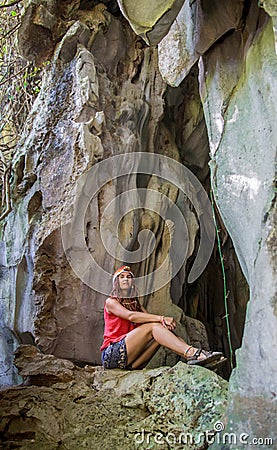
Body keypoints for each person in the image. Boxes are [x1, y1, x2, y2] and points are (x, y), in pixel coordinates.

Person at [100, 265, 224, 370]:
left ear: (133, 282)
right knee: (154, 327)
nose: (125, 279)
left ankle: (196, 356)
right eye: (122, 277)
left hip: (132, 362)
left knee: (162, 331)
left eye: (129, 277)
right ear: (116, 282)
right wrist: (162, 318)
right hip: (111, 354)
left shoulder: (135, 304)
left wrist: (163, 323)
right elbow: (131, 316)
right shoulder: (111, 302)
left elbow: (148, 318)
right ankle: (192, 353)